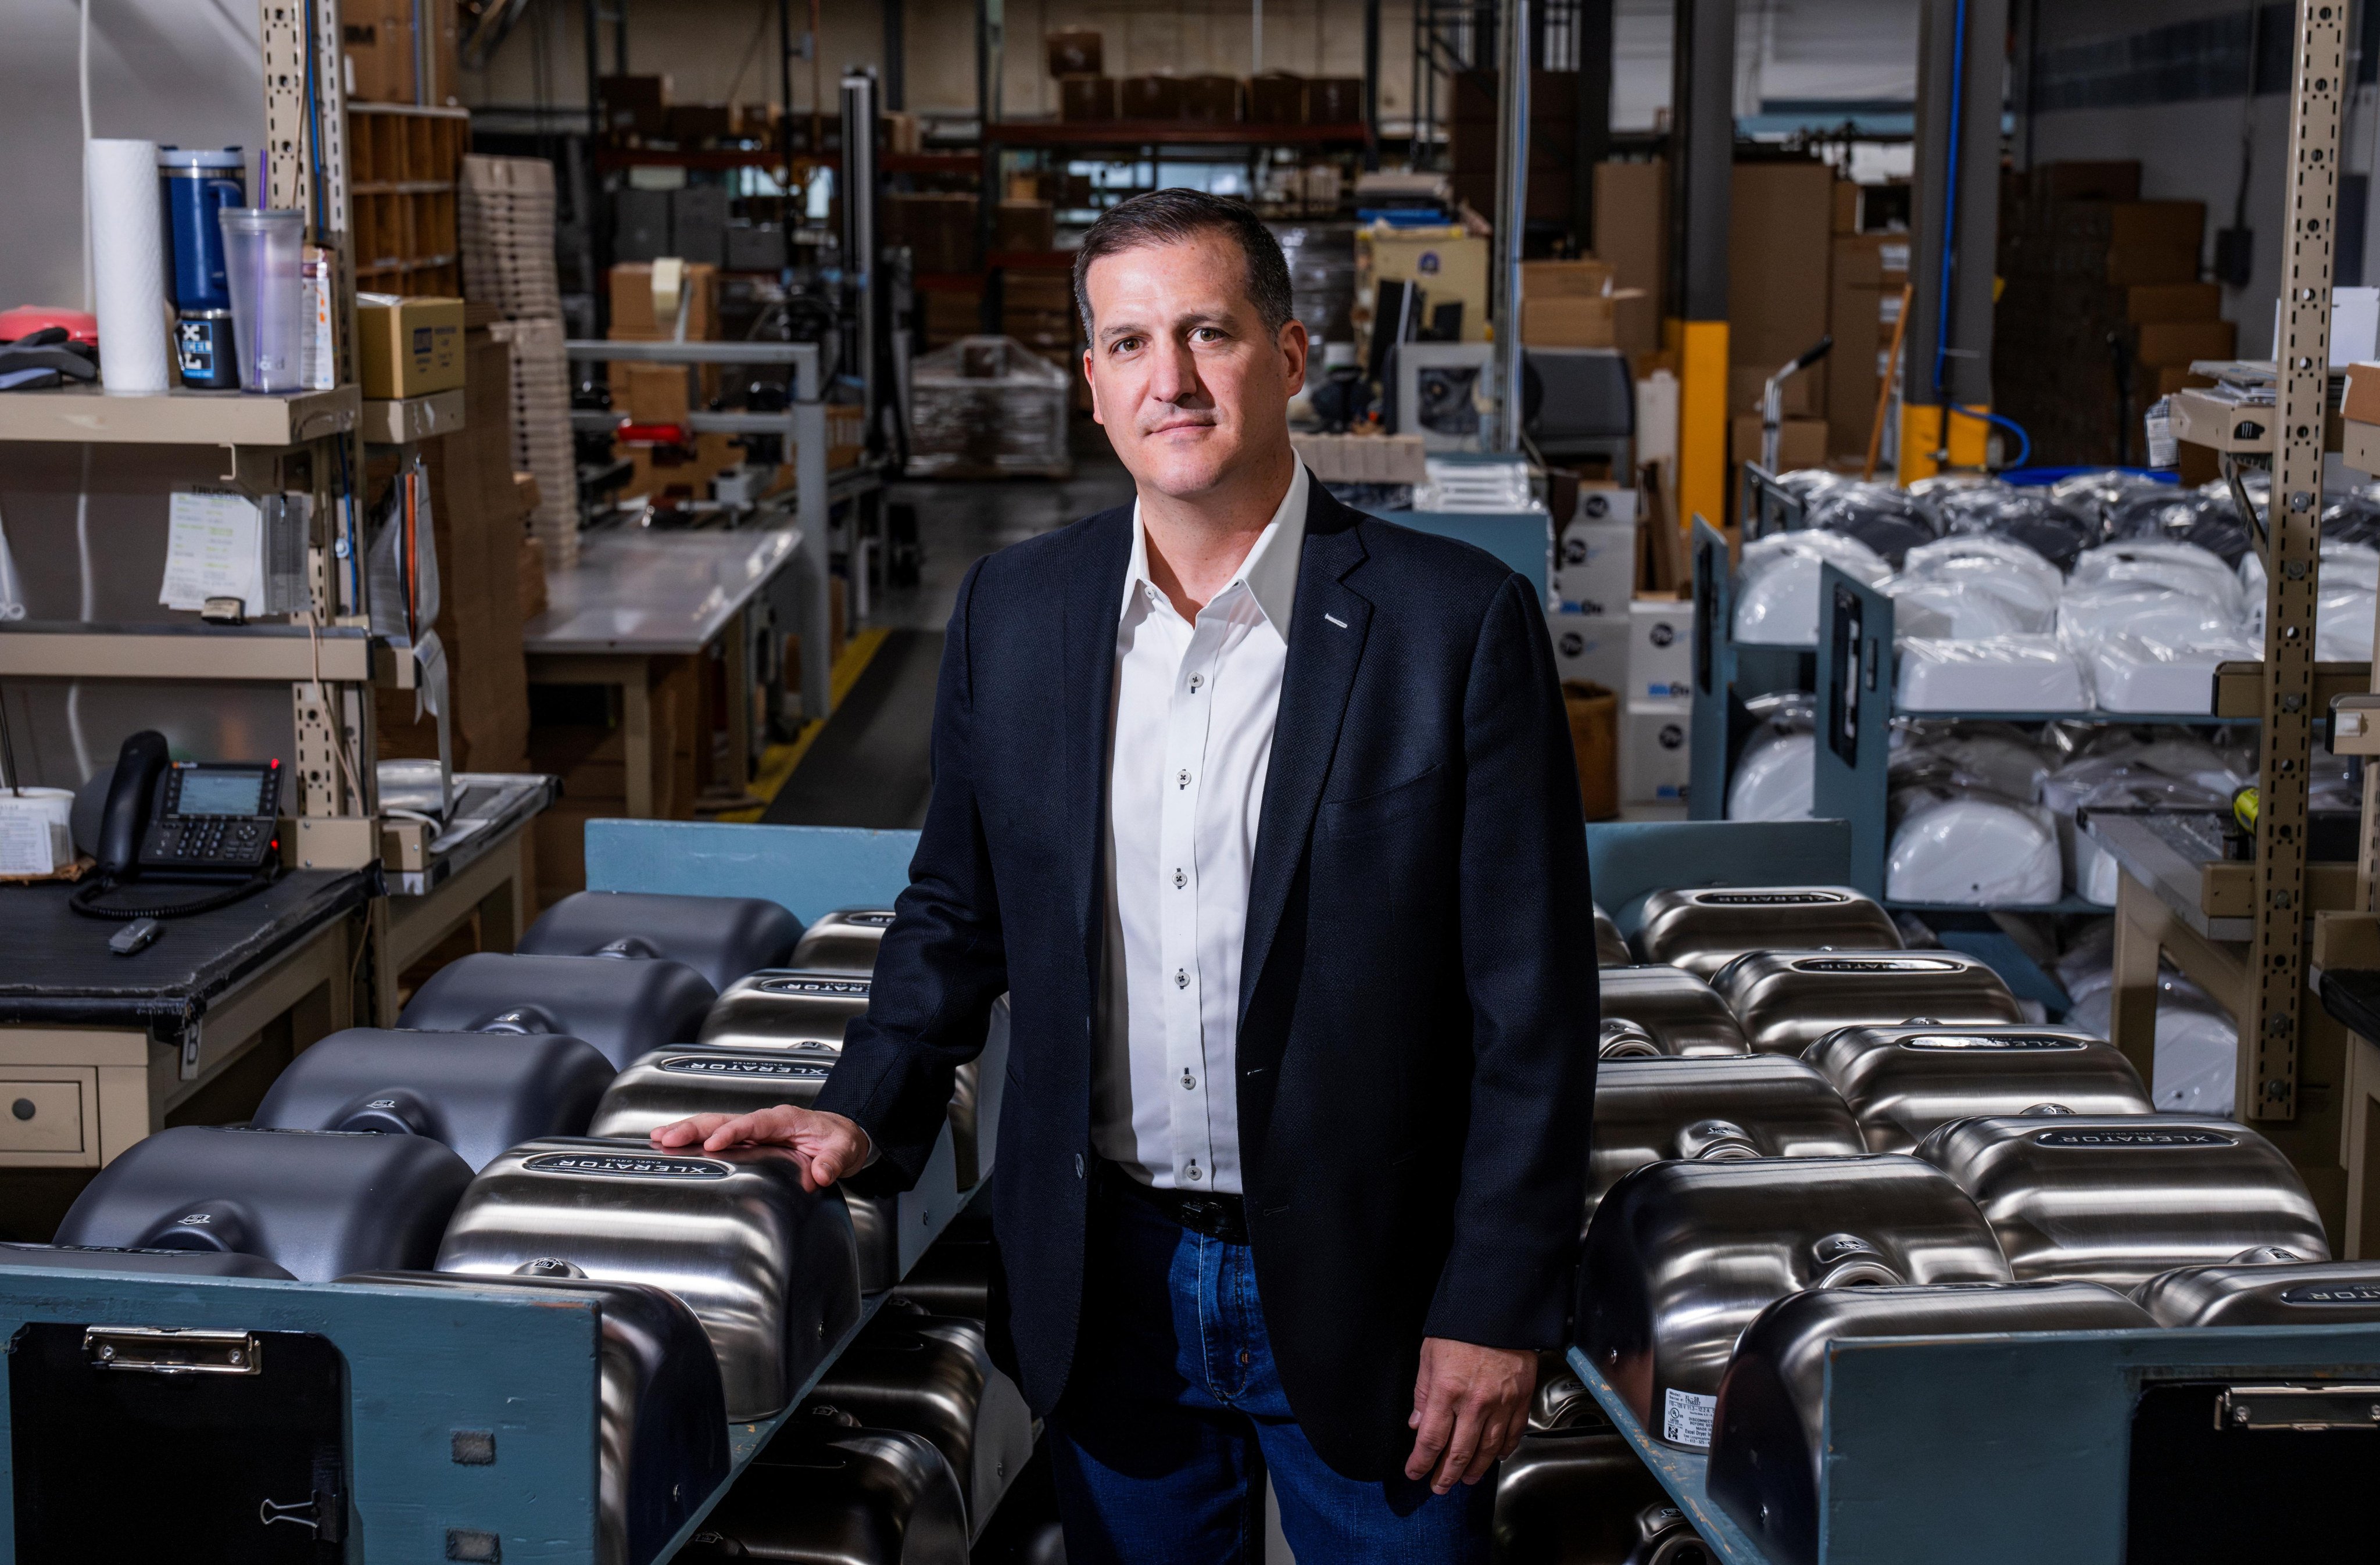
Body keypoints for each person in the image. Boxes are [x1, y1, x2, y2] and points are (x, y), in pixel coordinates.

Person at [654, 188, 1598, 1563]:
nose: (1170, 378)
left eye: (1207, 333)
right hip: (1114, 1277)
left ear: (1285, 358)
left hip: (1377, 1283)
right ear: (1091, 384)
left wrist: (1497, 1302)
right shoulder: (1018, 612)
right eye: (1129, 342)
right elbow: (956, 909)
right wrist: (862, 1109)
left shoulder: (1451, 626)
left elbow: (1533, 1005)